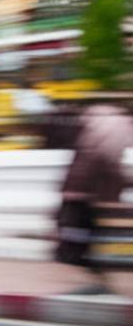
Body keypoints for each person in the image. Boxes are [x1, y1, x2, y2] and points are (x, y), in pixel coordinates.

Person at [55, 105, 133, 294]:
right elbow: (106, 159)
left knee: (80, 240)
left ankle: (99, 282)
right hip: (86, 193)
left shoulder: (102, 121)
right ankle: (100, 281)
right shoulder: (118, 126)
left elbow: (95, 157)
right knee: (83, 240)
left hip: (79, 191)